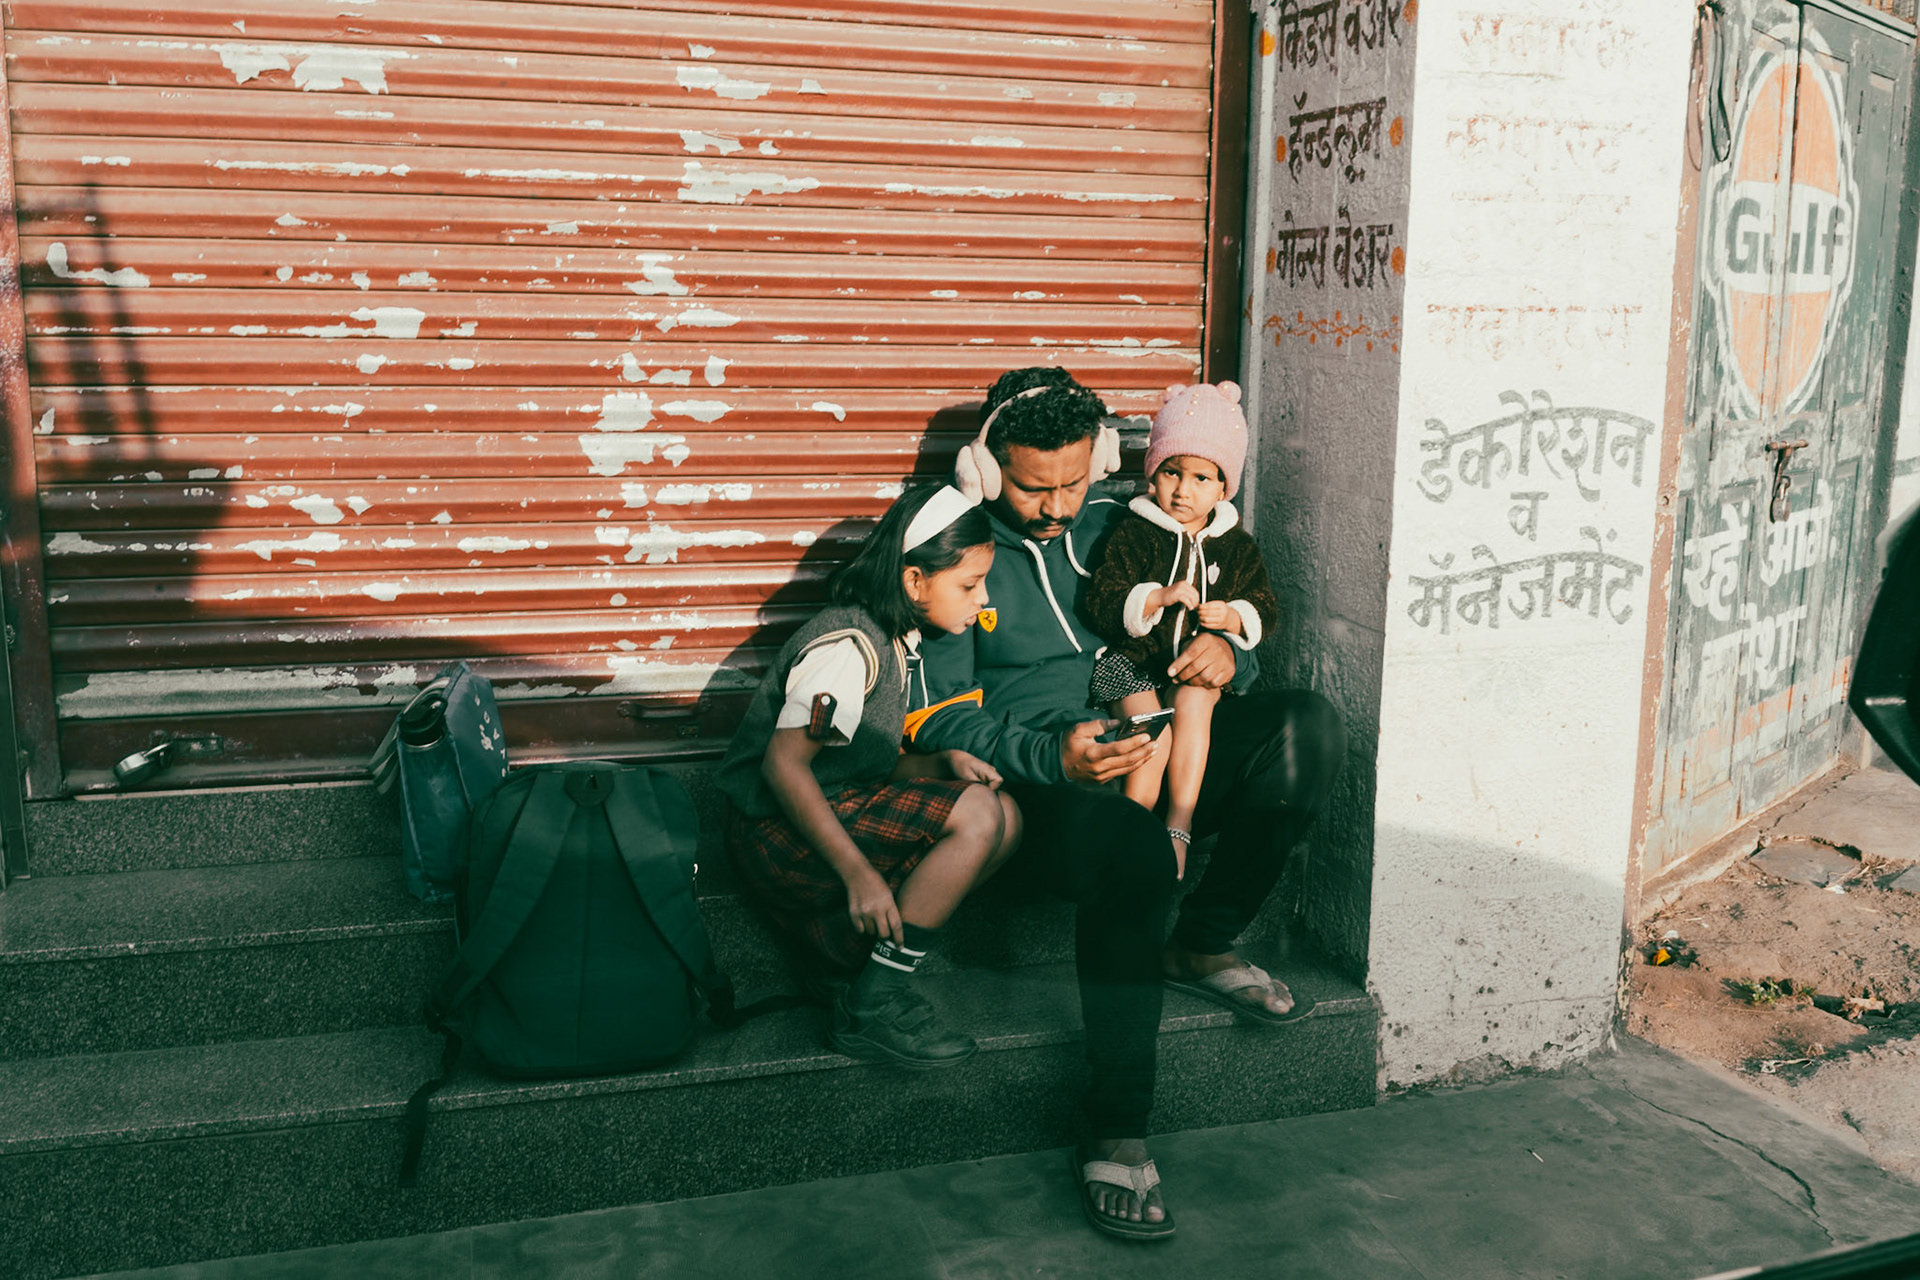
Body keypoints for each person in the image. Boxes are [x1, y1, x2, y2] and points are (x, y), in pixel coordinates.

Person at [918, 368, 1345, 1240]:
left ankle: (1200, 943)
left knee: (1305, 727)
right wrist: (1054, 755)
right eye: (1036, 488)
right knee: (1137, 851)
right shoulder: (953, 553)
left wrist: (1229, 653)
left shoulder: (1131, 523)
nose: (1059, 505)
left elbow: (1208, 631)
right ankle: (1115, 1121)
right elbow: (941, 717)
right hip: (1052, 789)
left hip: (1157, 737)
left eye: (1077, 480)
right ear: (987, 471)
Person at [714, 485, 1022, 1070]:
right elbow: (785, 765)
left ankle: (857, 972)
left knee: (1004, 818)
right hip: (771, 831)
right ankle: (871, 1008)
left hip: (833, 806)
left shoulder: (897, 639)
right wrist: (860, 877)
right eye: (968, 584)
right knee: (979, 815)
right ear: (913, 581)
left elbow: (855, 762)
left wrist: (939, 765)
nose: (982, 600)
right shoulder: (848, 647)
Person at [1083, 381, 1278, 878]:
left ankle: (1178, 827)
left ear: (1222, 487)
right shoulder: (1135, 531)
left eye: (1200, 478)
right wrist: (1155, 597)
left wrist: (1233, 618)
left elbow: (1263, 605)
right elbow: (1102, 599)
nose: (1182, 490)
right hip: (1131, 666)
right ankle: (1130, 827)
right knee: (1151, 734)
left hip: (1188, 669)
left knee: (1197, 702)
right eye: (1170, 472)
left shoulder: (1235, 546)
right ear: (1153, 472)